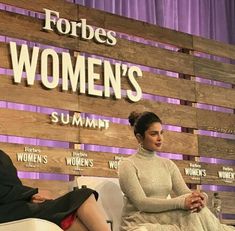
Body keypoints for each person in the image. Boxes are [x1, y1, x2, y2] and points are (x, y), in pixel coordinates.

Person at [118, 111, 235, 231]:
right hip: (138, 221)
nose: (159, 138)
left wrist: (200, 198)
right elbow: (142, 203)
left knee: (196, 212)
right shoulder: (127, 165)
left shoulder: (167, 164)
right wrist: (181, 203)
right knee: (190, 217)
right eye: (154, 134)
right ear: (139, 137)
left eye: (161, 133)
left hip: (164, 217)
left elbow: (184, 192)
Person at [0, 149, 111, 231]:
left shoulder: (2, 156)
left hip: (19, 202)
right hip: (7, 210)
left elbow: (13, 185)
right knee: (75, 204)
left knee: (84, 195)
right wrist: (29, 194)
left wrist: (29, 195)